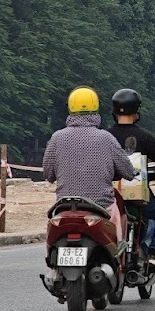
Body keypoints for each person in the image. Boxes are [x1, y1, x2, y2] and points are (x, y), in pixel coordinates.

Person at [43, 87, 137, 243]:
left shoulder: (56, 138)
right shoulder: (106, 138)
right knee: (118, 240)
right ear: (96, 107)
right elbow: (128, 171)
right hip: (101, 207)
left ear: (70, 108)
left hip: (64, 206)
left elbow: (48, 175)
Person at [107, 88, 155, 271]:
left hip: (109, 196)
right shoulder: (145, 137)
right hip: (137, 196)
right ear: (137, 111)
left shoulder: (105, 137)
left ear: (114, 111)